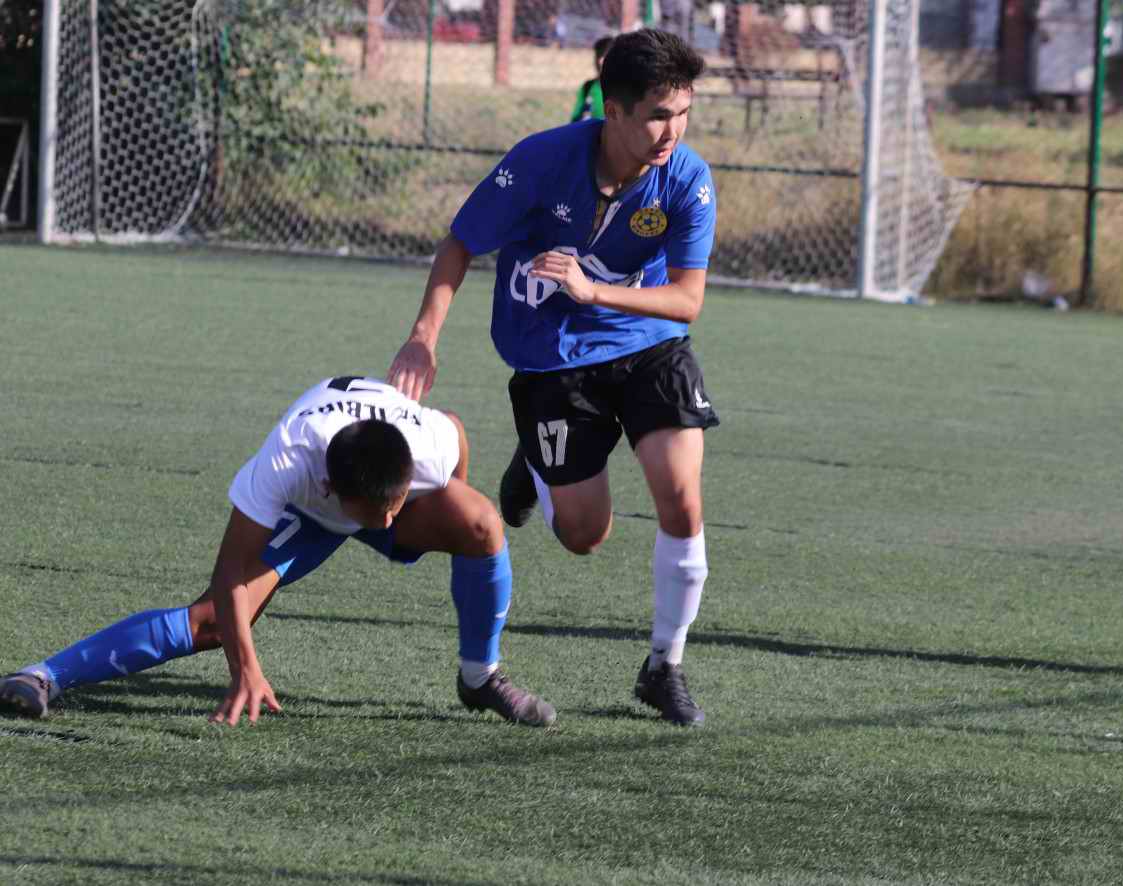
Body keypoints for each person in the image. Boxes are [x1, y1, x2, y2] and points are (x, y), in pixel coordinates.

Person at [389, 29, 717, 727]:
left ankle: (664, 666)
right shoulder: (541, 161)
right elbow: (460, 243)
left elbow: (687, 299)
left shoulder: (686, 177)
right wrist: (423, 338)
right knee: (583, 535)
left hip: (649, 344)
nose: (673, 131)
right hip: (552, 354)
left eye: (684, 113)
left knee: (681, 498)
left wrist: (595, 292)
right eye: (658, 115)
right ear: (613, 110)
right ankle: (535, 466)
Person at [0, 376, 555, 727]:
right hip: (307, 514)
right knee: (213, 621)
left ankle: (480, 677)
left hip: (374, 478)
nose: (390, 524)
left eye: (396, 507)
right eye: (379, 514)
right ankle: (43, 675)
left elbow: (454, 429)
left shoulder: (425, 448)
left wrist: (443, 499)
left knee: (480, 522)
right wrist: (244, 668)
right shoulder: (286, 463)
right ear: (331, 490)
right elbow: (229, 572)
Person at [569, 35, 614, 123]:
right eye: (598, 55)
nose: (600, 61)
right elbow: (575, 121)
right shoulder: (588, 87)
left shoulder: (625, 90)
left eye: (605, 56)